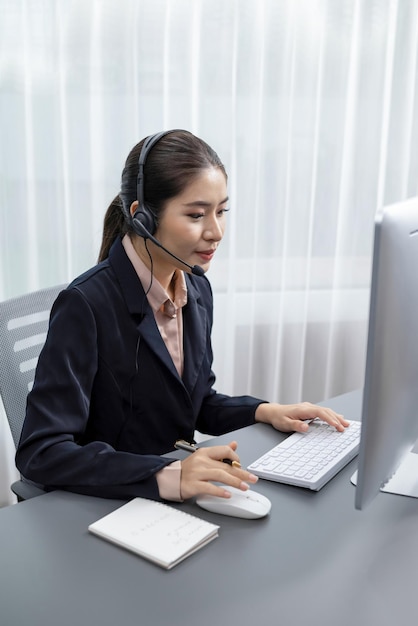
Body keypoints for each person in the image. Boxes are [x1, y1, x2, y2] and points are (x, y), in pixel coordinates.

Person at [16, 129, 348, 502]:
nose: (216, 231)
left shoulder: (195, 289)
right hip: (108, 504)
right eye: (196, 215)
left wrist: (267, 411)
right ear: (141, 217)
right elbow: (41, 453)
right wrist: (166, 475)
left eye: (221, 211)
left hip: (173, 498)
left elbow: (197, 402)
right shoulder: (86, 305)